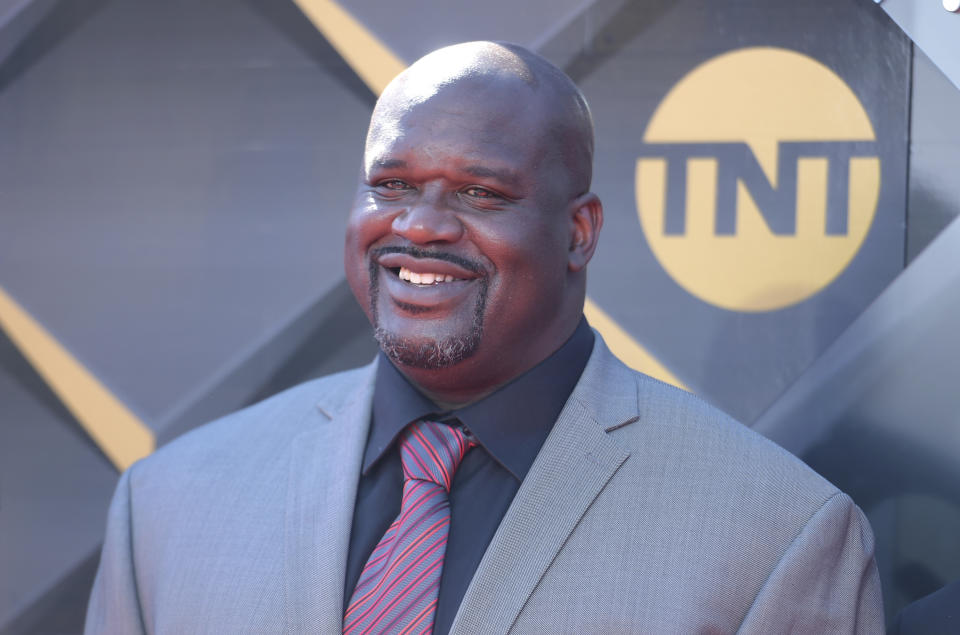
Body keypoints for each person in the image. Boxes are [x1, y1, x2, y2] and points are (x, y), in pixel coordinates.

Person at [85, 41, 883, 633]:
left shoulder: (776, 534)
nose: (421, 226)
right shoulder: (167, 508)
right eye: (391, 185)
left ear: (578, 231)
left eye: (479, 191)